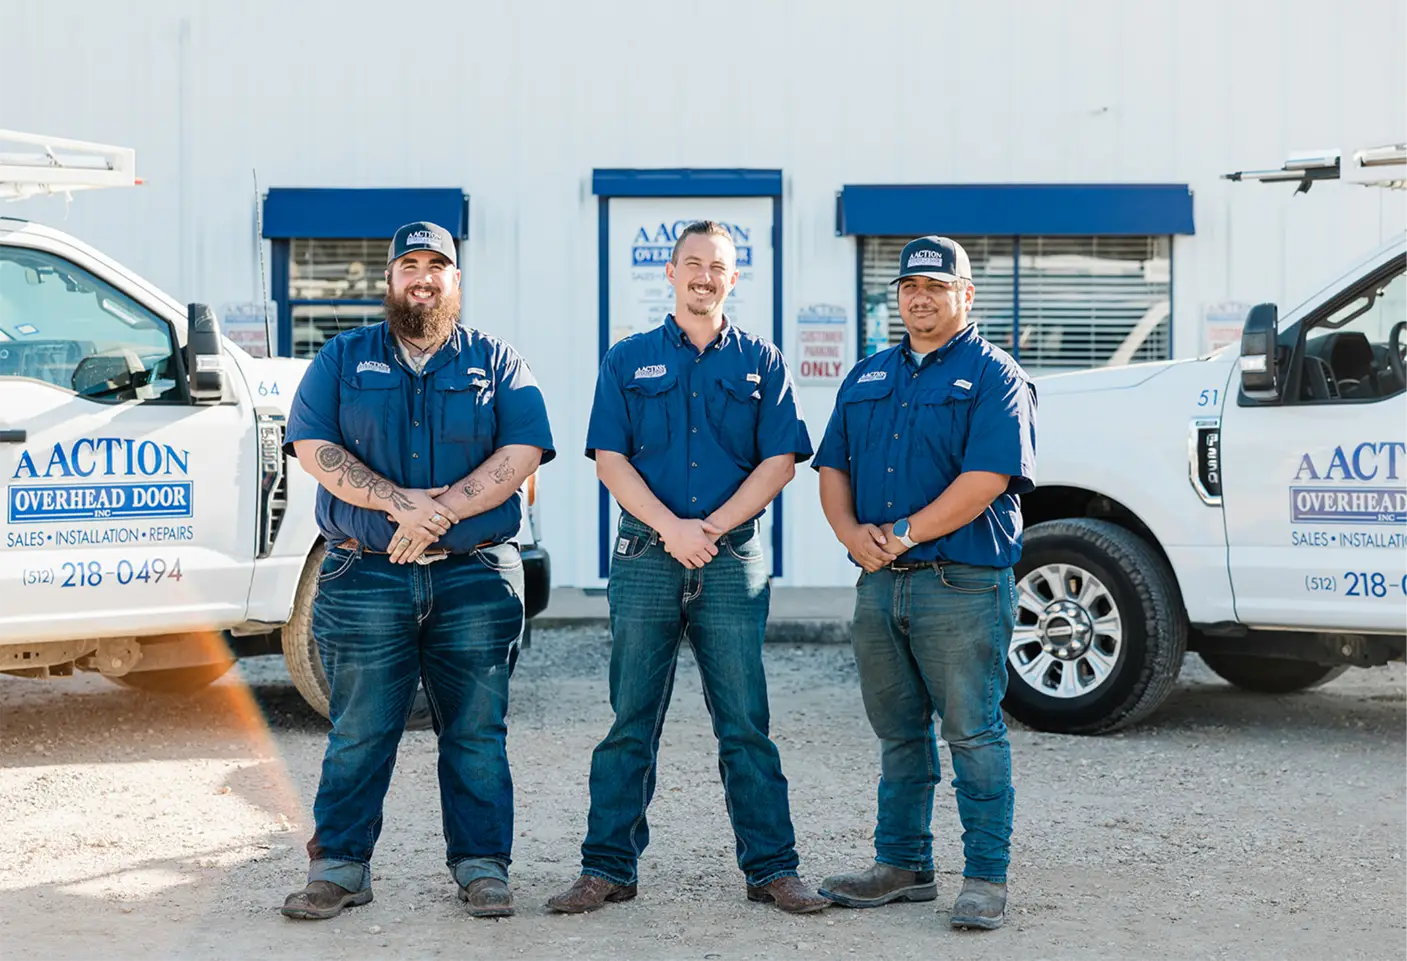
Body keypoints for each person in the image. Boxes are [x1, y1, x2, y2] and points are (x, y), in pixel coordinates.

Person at [546, 220, 828, 915]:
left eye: (718, 267)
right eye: (692, 264)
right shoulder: (627, 359)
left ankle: (772, 868)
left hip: (732, 561)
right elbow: (610, 458)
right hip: (646, 557)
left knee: (744, 722)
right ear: (669, 274)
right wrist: (672, 529)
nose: (704, 276)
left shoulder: (761, 361)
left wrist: (711, 529)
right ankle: (607, 866)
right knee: (630, 719)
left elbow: (781, 460)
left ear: (733, 279)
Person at [278, 221, 555, 921]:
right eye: (410, 265)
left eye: (438, 265)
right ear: (390, 279)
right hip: (365, 574)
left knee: (475, 730)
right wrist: (401, 505)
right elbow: (313, 447)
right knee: (360, 730)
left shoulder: (497, 362)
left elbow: (522, 451)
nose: (423, 277)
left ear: (456, 279)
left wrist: (433, 516)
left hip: (474, 577)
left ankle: (482, 865)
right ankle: (340, 865)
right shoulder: (341, 359)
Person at [811, 236, 1036, 930]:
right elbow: (832, 468)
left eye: (936, 288)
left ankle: (984, 878)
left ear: (965, 296)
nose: (920, 298)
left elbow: (985, 480)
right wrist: (851, 536)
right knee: (898, 732)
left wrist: (903, 534)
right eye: (910, 287)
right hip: (881, 585)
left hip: (959, 581)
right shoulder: (868, 376)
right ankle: (901, 865)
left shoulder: (994, 375)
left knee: (971, 731)